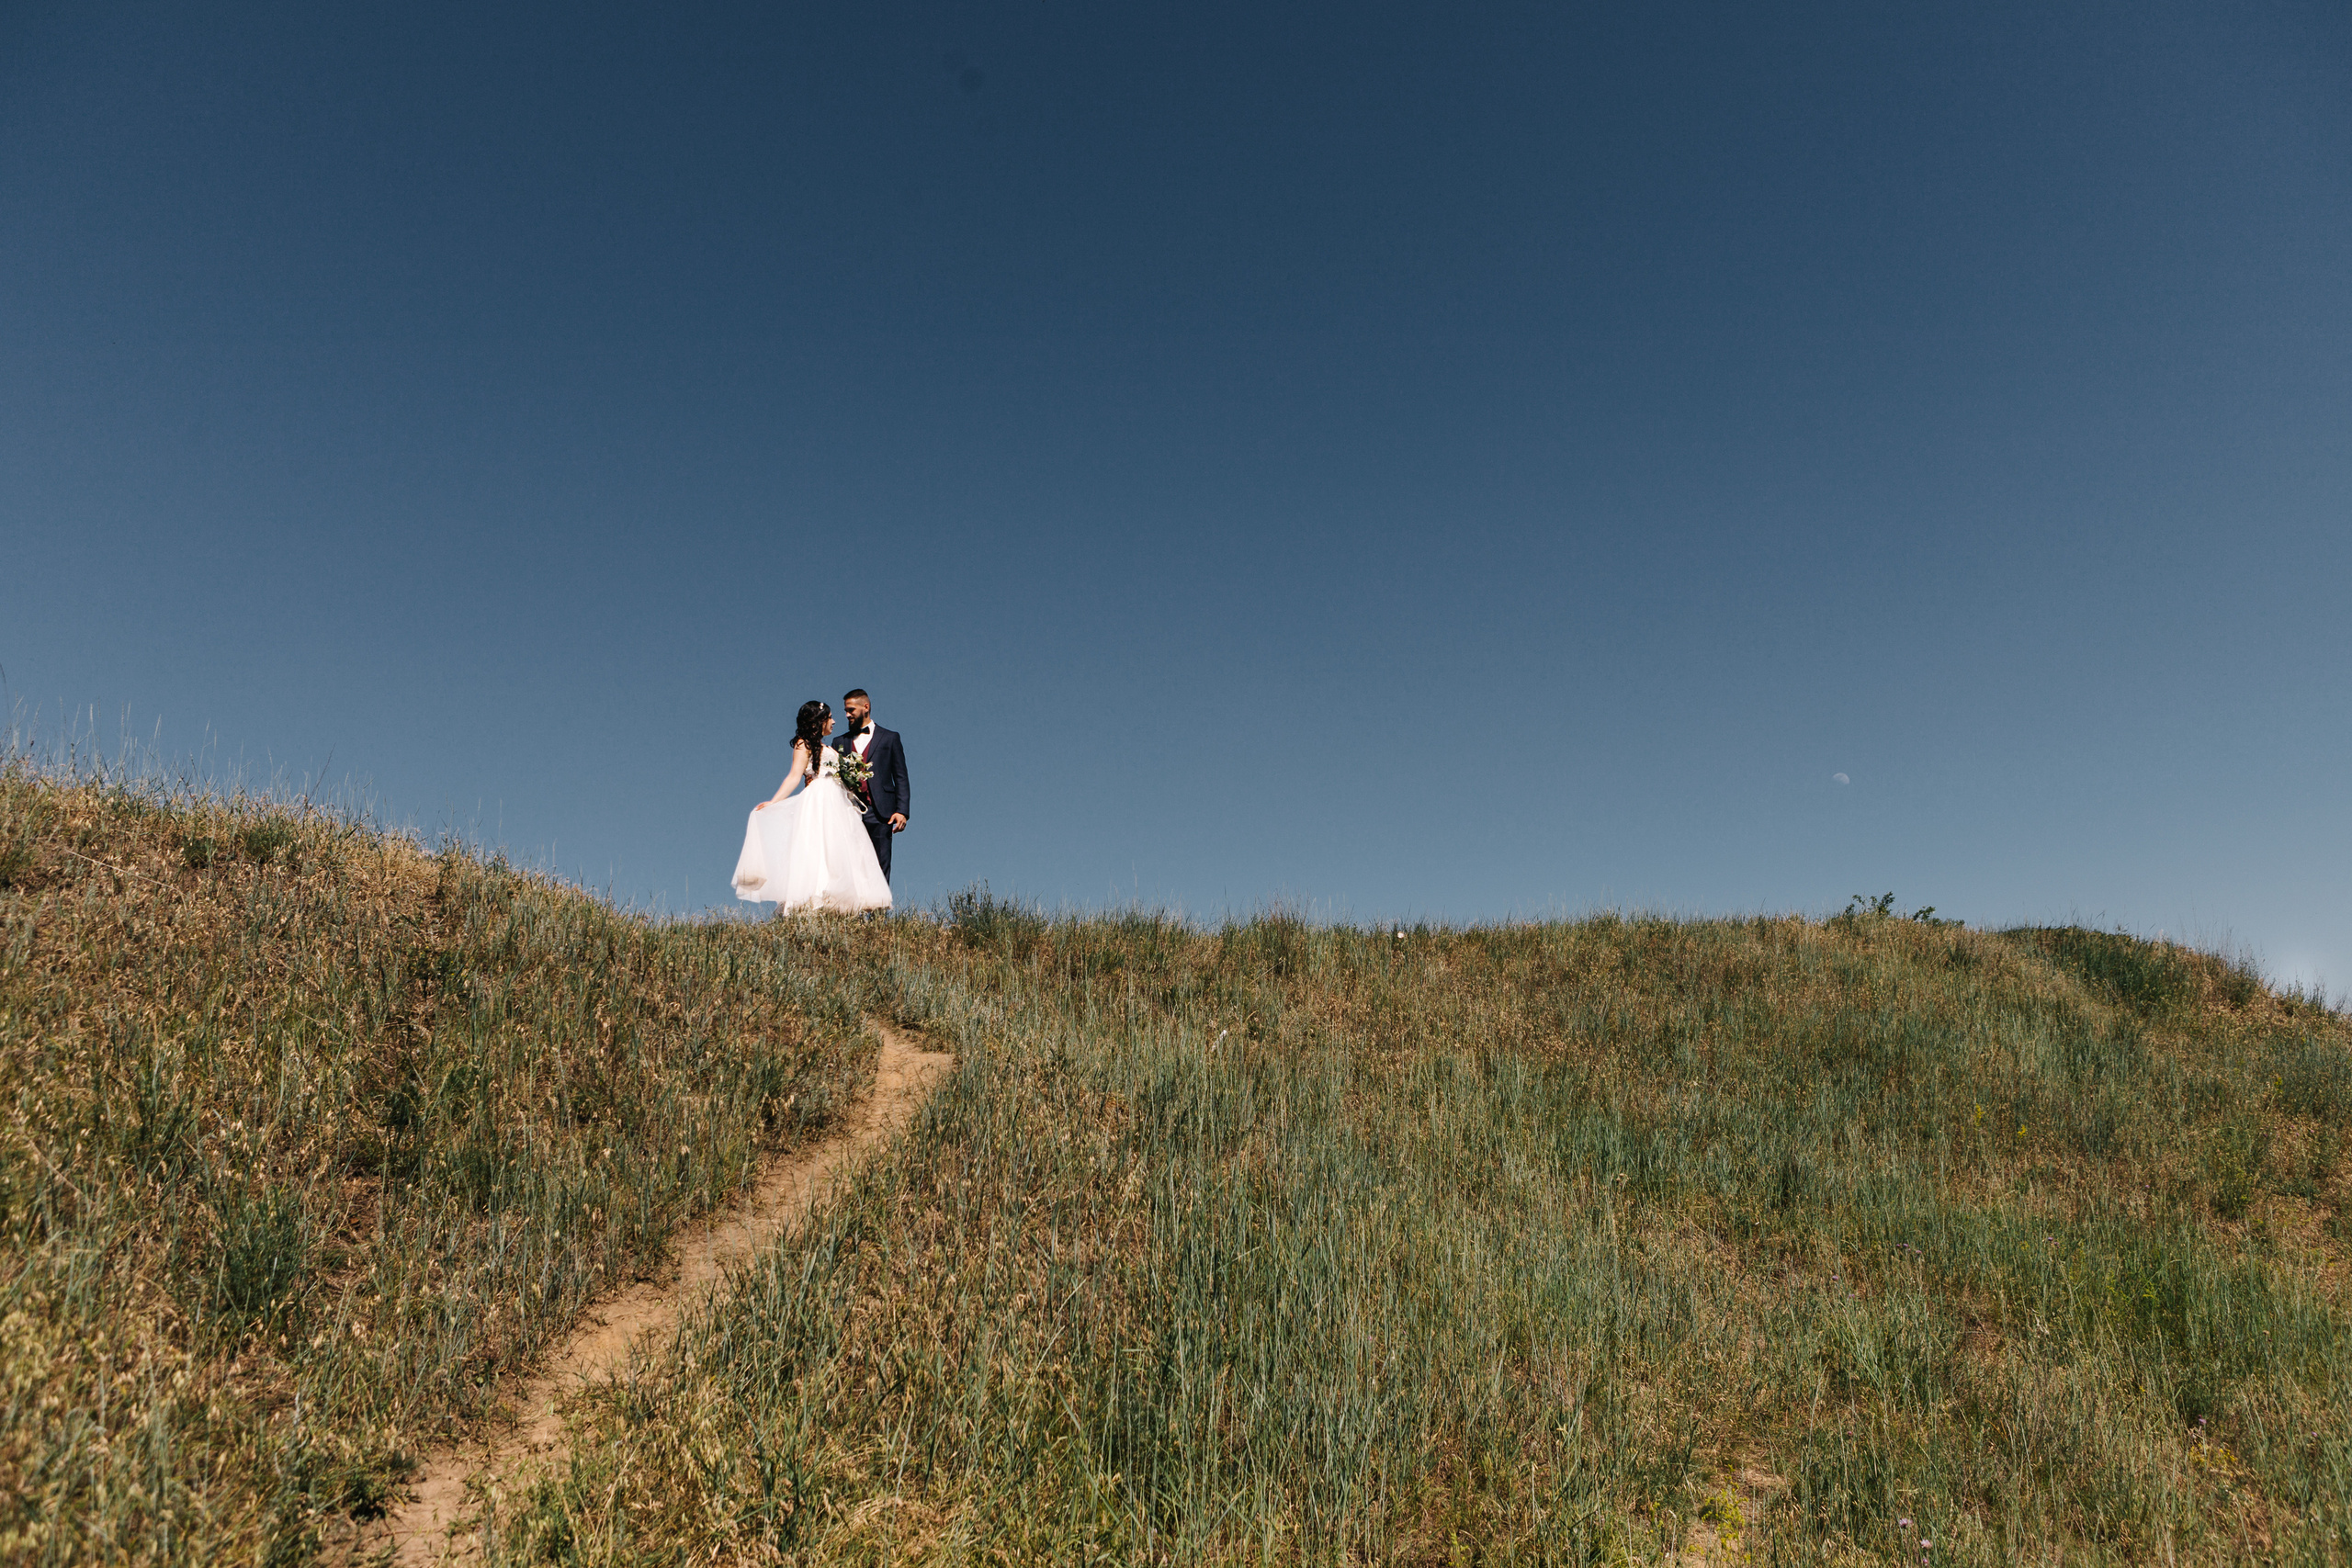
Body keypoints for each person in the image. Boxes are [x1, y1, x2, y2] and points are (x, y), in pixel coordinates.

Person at [731, 699, 891, 913]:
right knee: (817, 848)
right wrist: (774, 801)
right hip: (819, 800)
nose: (834, 722)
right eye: (830, 717)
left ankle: (840, 903)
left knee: (839, 849)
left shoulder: (827, 747)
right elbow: (794, 776)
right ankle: (816, 900)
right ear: (819, 721)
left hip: (838, 802)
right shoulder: (803, 744)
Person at [832, 688, 910, 883]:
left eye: (851, 709)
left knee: (880, 862)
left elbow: (900, 776)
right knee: (851, 863)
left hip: (881, 812)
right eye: (845, 710)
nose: (847, 714)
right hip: (849, 812)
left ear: (865, 707)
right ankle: (854, 912)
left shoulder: (890, 738)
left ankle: (878, 913)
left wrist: (902, 811)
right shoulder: (839, 742)